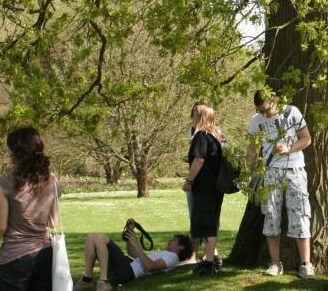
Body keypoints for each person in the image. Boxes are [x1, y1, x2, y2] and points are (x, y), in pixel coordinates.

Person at [0, 127, 58, 290]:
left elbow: (0, 226)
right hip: (45, 254)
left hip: (15, 259)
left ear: (15, 153)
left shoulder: (6, 181)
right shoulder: (51, 179)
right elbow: (53, 221)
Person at [246, 90, 315, 279]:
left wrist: (289, 149)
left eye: (265, 110)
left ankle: (306, 265)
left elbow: (306, 138)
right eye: (259, 110)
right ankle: (275, 263)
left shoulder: (292, 112)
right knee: (271, 216)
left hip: (295, 170)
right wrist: (248, 172)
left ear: (272, 100)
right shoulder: (256, 120)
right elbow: (252, 149)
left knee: (300, 215)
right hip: (270, 173)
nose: (263, 114)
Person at [73, 222, 192, 291]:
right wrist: (131, 232)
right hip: (126, 264)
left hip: (128, 271)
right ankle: (87, 279)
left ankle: (103, 281)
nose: (170, 241)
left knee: (100, 238)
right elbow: (132, 253)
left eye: (174, 240)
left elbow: (150, 266)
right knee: (91, 237)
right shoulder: (165, 254)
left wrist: (137, 245)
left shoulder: (173, 257)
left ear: (181, 247)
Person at [181, 104, 224, 275]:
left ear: (199, 117)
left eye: (194, 116)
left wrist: (189, 180)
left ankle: (209, 264)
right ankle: (211, 260)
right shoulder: (216, 136)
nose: (191, 119)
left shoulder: (201, 136)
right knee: (210, 224)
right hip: (215, 187)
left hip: (204, 187)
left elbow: (199, 160)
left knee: (207, 225)